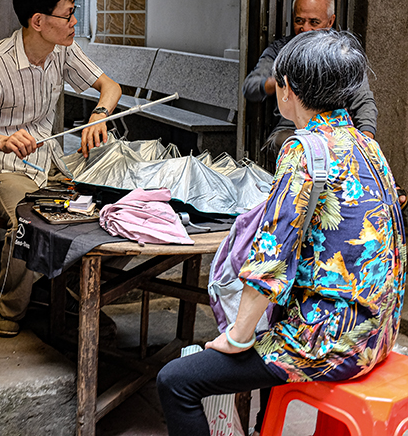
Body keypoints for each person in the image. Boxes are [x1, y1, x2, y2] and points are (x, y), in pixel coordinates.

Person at [156, 30, 406, 436]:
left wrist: (236, 338)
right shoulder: (366, 144)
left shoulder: (304, 149)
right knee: (268, 333)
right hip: (379, 331)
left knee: (176, 381)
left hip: (333, 342)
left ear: (287, 89)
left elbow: (270, 253)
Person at [0, 0, 122, 337]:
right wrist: (1, 140)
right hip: (6, 168)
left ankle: (77, 296)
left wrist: (99, 114)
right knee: (29, 222)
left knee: (106, 210)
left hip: (49, 164)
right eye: (68, 14)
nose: (75, 22)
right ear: (39, 21)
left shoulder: (63, 50)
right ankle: (10, 309)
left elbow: (110, 86)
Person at [242, 0, 378, 153]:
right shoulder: (280, 50)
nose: (305, 29)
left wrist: (366, 142)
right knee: (298, 147)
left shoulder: (342, 54)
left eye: (314, 22)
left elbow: (364, 100)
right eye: (299, 21)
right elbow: (250, 87)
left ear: (330, 21)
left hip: (336, 132)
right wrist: (280, 83)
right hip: (292, 131)